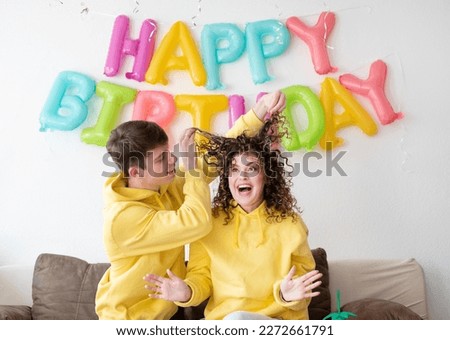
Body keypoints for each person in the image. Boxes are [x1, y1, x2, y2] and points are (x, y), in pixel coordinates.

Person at [95, 91, 287, 320]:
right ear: (136, 172)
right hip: (126, 322)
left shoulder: (163, 188)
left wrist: (259, 111)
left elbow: (216, 157)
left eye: (169, 152)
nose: (173, 160)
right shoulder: (123, 219)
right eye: (161, 159)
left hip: (167, 315)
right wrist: (191, 166)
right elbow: (198, 221)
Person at [143, 116, 323, 320]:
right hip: (224, 323)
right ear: (227, 178)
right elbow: (201, 276)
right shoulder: (210, 222)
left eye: (252, 169)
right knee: (234, 320)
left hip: (277, 321)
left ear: (267, 177)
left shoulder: (291, 224)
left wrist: (286, 295)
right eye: (234, 170)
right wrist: (188, 293)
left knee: (238, 320)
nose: (242, 177)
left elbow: (302, 285)